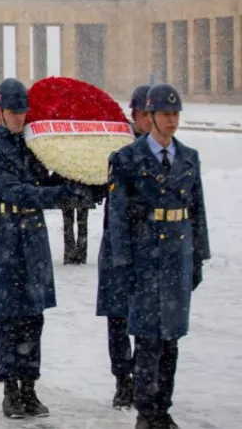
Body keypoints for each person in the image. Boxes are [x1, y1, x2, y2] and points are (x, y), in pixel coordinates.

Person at [0, 78, 93, 419]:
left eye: (23, 112)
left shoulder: (33, 145)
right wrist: (62, 195)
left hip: (31, 236)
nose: (20, 118)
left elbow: (45, 179)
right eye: (13, 112)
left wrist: (83, 180)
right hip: (4, 237)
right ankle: (10, 387)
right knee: (9, 317)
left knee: (33, 316)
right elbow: (16, 191)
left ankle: (30, 385)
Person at [107, 84, 209, 429]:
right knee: (149, 339)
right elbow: (117, 217)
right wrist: (123, 263)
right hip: (146, 255)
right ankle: (146, 412)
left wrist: (197, 258)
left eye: (175, 114)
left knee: (171, 340)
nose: (172, 121)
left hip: (177, 256)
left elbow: (197, 212)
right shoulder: (127, 159)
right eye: (165, 115)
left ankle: (163, 409)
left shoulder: (189, 157)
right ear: (148, 118)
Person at [96, 84, 153, 409]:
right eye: (145, 114)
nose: (150, 120)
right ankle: (123, 379)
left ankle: (145, 377)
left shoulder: (166, 151)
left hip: (149, 247)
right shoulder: (115, 144)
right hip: (118, 244)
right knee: (118, 320)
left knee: (147, 320)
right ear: (134, 115)